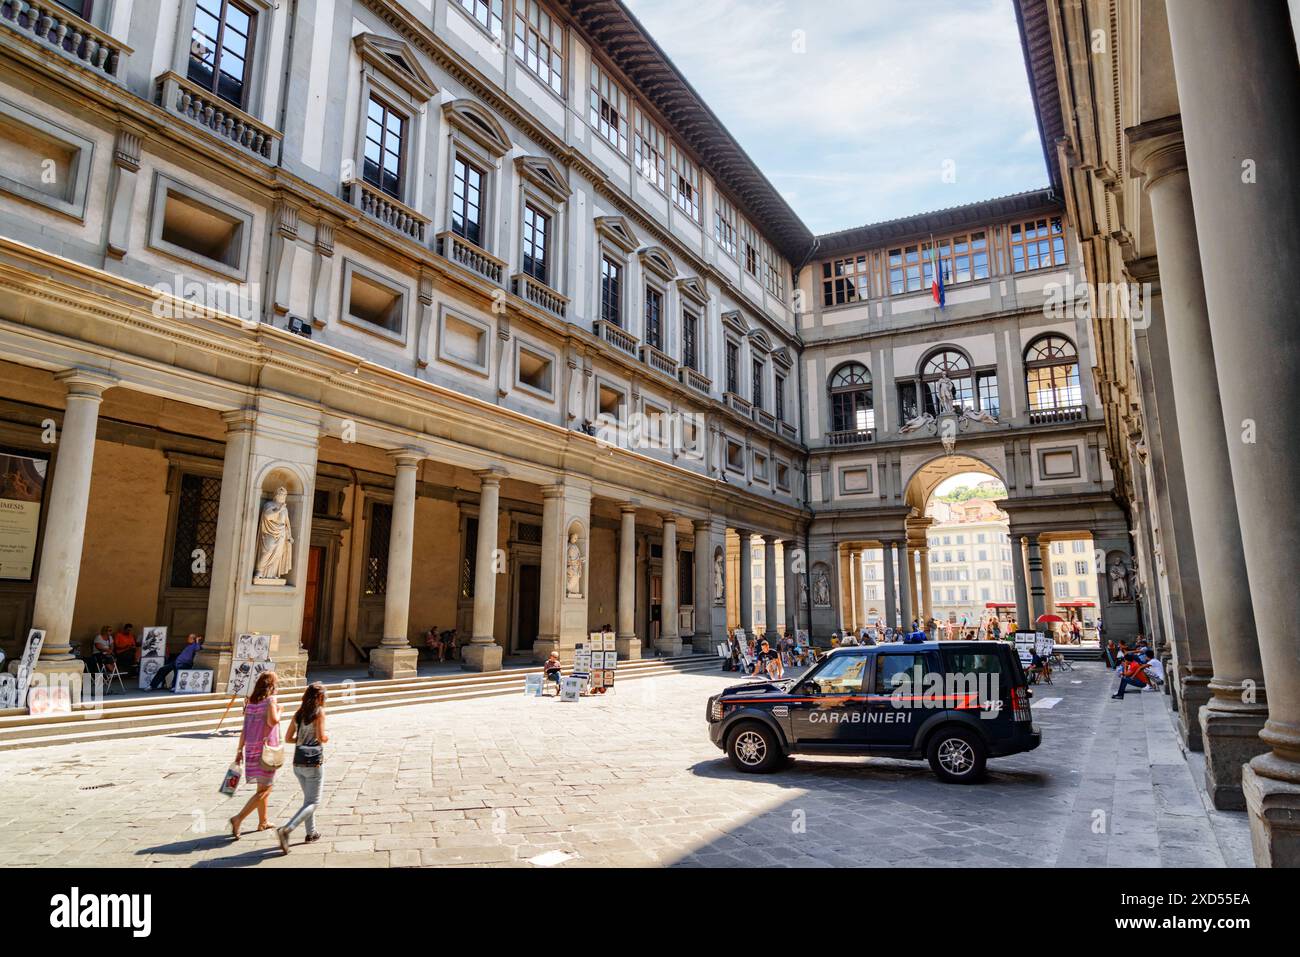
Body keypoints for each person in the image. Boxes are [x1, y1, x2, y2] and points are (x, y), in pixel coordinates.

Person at [277, 682, 328, 853]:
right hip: (313, 762)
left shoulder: (298, 714)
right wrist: (325, 737)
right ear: (320, 697)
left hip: (298, 761)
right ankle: (287, 829)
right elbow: (321, 737)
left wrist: (302, 740)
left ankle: (311, 833)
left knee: (308, 801)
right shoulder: (319, 713)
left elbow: (288, 738)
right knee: (314, 802)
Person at [230, 671, 281, 839]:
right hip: (266, 750)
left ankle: (263, 821)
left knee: (262, 787)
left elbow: (244, 728)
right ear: (271, 685)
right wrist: (280, 710)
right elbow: (273, 721)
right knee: (266, 788)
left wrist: (239, 750)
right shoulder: (270, 700)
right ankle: (238, 818)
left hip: (250, 748)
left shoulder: (250, 702)